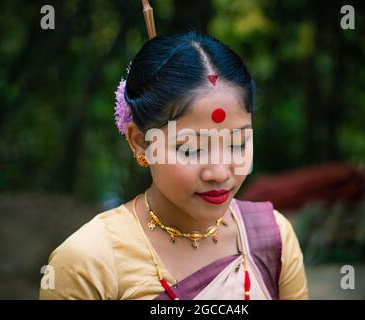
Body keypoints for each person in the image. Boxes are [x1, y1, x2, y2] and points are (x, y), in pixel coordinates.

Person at [39, 31, 308, 300]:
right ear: (140, 143)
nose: (219, 172)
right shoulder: (88, 263)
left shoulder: (272, 238)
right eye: (191, 149)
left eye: (237, 144)